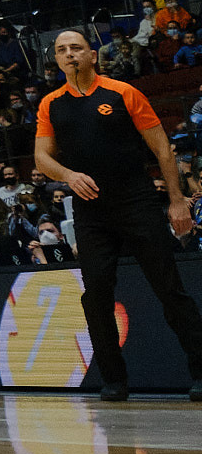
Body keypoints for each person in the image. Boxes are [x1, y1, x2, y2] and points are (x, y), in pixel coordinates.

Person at [34, 27, 202, 400]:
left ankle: (200, 369)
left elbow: (163, 150)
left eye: (76, 47)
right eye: (62, 50)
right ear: (57, 60)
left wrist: (176, 200)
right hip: (91, 211)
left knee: (168, 287)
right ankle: (114, 380)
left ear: (92, 55)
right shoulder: (50, 104)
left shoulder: (123, 92)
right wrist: (68, 175)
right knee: (95, 295)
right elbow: (41, 158)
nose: (69, 54)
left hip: (136, 200)